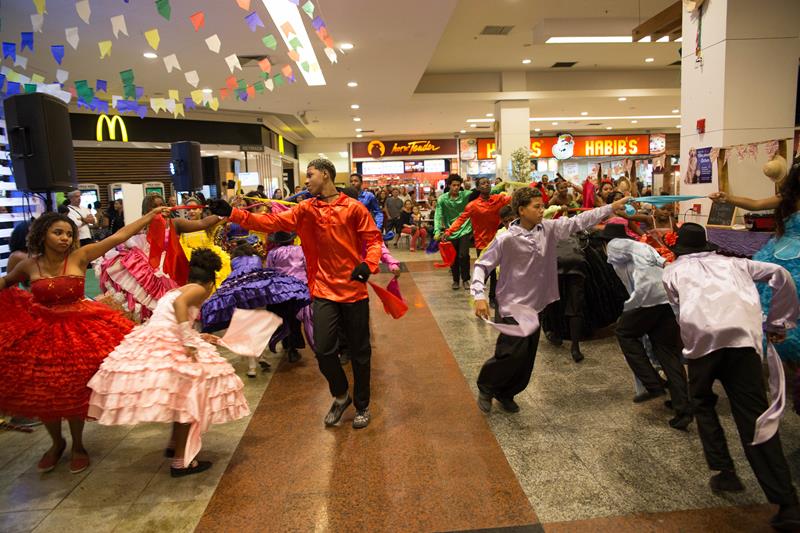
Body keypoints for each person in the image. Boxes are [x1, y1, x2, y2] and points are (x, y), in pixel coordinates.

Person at [208, 159, 383, 429]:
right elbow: (270, 221)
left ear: (326, 175)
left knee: (360, 353)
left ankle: (362, 405)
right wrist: (233, 213)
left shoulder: (354, 208)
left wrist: (367, 265)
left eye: (310, 175)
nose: (307, 181)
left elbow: (373, 241)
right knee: (324, 350)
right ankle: (341, 396)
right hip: (323, 290)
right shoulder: (305, 210)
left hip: (353, 291)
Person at [0, 207, 170, 474]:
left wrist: (150, 217)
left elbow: (119, 236)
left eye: (69, 233)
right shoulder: (28, 264)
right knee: (46, 394)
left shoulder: (80, 256)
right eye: (58, 233)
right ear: (43, 235)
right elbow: (8, 282)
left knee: (74, 392)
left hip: (79, 333)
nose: (65, 238)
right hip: (42, 335)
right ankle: (57, 444)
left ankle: (78, 445)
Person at [663, 222, 800, 531]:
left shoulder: (672, 271)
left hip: (704, 345)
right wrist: (779, 322)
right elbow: (782, 275)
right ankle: (787, 502)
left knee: (701, 401)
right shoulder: (736, 263)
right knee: (754, 417)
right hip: (742, 342)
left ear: (679, 249)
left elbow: (677, 310)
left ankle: (725, 472)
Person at [88, 249, 251, 478]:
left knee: (180, 396)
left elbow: (172, 313)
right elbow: (181, 306)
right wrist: (186, 337)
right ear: (209, 281)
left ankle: (176, 444)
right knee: (190, 397)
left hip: (156, 338)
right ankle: (182, 461)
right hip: (171, 341)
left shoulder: (175, 290)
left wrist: (199, 337)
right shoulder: (195, 289)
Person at [471, 187, 629, 413]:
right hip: (512, 306)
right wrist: (478, 296)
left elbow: (580, 221)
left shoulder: (548, 229)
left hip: (536, 305)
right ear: (521, 210)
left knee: (526, 357)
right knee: (509, 352)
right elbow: (482, 265)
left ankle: (507, 393)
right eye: (537, 207)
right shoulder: (506, 238)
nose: (541, 210)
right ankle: (486, 387)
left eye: (542, 206)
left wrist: (610, 208)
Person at [598, 223, 692, 430]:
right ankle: (683, 406)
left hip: (646, 296)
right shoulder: (643, 246)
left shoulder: (615, 245)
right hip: (665, 296)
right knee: (667, 351)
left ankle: (653, 384)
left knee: (624, 333)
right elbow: (662, 263)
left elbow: (625, 257)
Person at [709, 156, 800, 368]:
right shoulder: (788, 198)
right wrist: (727, 198)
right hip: (782, 255)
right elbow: (756, 204)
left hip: (783, 254)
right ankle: (786, 354)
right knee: (780, 300)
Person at [202, 242, 311, 376]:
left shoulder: (234, 260)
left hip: (241, 295)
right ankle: (262, 356)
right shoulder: (257, 258)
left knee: (248, 330)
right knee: (260, 327)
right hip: (259, 292)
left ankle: (252, 367)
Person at [444, 176, 510, 306]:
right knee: (485, 272)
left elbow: (515, 199)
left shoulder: (498, 200)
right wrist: (448, 232)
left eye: (488, 183)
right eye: (483, 184)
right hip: (482, 244)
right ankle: (477, 295)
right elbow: (461, 219)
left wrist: (530, 187)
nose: (486, 185)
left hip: (498, 240)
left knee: (497, 271)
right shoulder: (473, 205)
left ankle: (492, 298)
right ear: (478, 188)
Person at [265, 232, 313, 364]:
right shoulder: (300, 250)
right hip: (299, 288)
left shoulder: (272, 253)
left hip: (281, 289)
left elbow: (269, 271)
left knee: (284, 317)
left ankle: (287, 344)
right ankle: (293, 347)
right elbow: (307, 267)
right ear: (292, 240)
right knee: (295, 319)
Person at [180, 197, 231, 286]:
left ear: (200, 210)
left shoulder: (208, 224)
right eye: (188, 209)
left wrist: (231, 205)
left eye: (194, 209)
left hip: (210, 260)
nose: (191, 211)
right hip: (193, 262)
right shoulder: (182, 228)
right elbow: (182, 246)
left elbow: (225, 217)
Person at [434, 174, 473, 290]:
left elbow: (480, 192)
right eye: (454, 185)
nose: (456, 187)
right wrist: (437, 231)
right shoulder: (442, 199)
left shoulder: (466, 195)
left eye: (458, 185)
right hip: (450, 232)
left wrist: (499, 188)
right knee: (453, 257)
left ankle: (466, 279)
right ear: (449, 186)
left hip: (465, 229)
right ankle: (456, 280)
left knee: (463, 255)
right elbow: (438, 216)